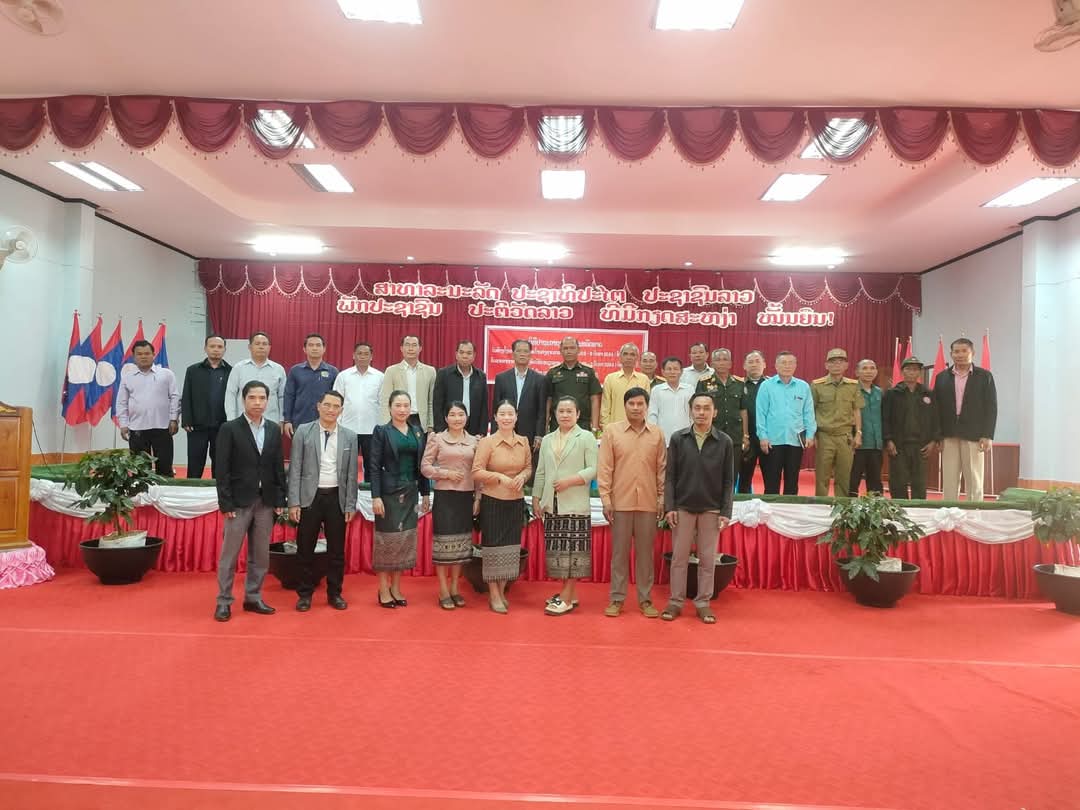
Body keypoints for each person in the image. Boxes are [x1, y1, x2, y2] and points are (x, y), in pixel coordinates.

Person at [213, 381, 287, 622]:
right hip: (238, 502)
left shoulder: (273, 429)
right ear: (243, 400)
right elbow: (221, 469)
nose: (257, 403)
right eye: (252, 398)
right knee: (229, 556)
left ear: (268, 401)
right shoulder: (230, 428)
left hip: (265, 501)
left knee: (260, 555)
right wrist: (225, 503)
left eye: (262, 398)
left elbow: (277, 466)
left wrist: (280, 498)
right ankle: (224, 601)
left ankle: (253, 597)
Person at [662, 393, 734, 625]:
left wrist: (726, 511)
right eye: (697, 408)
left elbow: (728, 480)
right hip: (682, 507)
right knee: (679, 559)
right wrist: (670, 507)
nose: (701, 412)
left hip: (711, 509)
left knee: (707, 560)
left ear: (715, 412)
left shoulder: (724, 441)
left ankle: (703, 603)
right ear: (690, 411)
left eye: (706, 408)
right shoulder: (678, 438)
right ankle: (675, 601)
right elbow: (670, 476)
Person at [597, 386, 665, 619]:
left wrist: (661, 498)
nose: (636, 408)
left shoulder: (657, 434)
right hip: (620, 503)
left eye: (640, 404)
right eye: (631, 404)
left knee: (646, 556)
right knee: (619, 554)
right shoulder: (611, 432)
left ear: (647, 406)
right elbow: (605, 468)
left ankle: (645, 599)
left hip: (648, 503)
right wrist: (606, 499)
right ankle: (617, 598)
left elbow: (661, 469)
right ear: (624, 406)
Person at [288, 390, 358, 612]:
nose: (331, 410)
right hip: (310, 497)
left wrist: (350, 503)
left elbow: (352, 474)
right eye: (327, 405)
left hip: (337, 497)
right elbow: (295, 468)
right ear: (318, 406)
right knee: (305, 548)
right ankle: (304, 594)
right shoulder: (303, 431)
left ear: (341, 410)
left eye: (336, 406)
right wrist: (294, 502)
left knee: (336, 550)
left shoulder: (349, 436)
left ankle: (334, 593)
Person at [533, 396, 598, 616]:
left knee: (574, 553)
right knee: (559, 553)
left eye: (570, 411)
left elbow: (594, 469)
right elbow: (541, 471)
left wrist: (571, 480)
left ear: (578, 414)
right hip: (552, 504)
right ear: (555, 414)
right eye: (561, 411)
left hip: (575, 503)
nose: (565, 415)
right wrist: (536, 497)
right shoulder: (548, 439)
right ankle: (569, 593)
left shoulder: (586, 437)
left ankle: (566, 598)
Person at [370, 390, 431, 608]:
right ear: (389, 408)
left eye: (406, 405)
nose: (402, 410)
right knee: (387, 541)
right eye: (398, 405)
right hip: (388, 494)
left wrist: (425, 493)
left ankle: (396, 587)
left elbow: (422, 465)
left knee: (404, 540)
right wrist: (376, 496)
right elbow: (374, 466)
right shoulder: (382, 431)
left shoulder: (417, 431)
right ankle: (383, 588)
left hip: (411, 492)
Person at [472, 400, 532, 614]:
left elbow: (528, 467)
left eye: (510, 414)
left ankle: (502, 589)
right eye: (502, 414)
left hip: (515, 501)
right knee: (493, 548)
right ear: (495, 417)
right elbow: (476, 471)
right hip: (493, 501)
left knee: (510, 548)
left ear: (516, 416)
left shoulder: (524, 441)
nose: (507, 418)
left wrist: (523, 476)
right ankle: (494, 593)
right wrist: (499, 477)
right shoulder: (487, 442)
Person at [420, 401, 480, 609]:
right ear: (446, 418)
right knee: (443, 545)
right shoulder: (436, 438)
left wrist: (478, 498)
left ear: (466, 417)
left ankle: (455, 588)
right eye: (452, 414)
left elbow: (478, 471)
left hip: (466, 497)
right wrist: (445, 473)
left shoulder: (475, 441)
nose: (457, 418)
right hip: (445, 497)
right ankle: (443, 589)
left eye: (461, 414)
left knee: (461, 546)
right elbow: (425, 467)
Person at [933, 337, 997, 501]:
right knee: (949, 479)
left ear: (972, 353)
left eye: (964, 351)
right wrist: (937, 436)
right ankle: (949, 511)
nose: (960, 355)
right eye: (956, 351)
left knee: (974, 479)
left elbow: (991, 407)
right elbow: (936, 408)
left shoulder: (984, 376)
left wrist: (987, 435)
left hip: (974, 435)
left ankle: (975, 511)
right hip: (948, 434)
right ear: (951, 354)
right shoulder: (941, 377)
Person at [116, 339, 180, 477]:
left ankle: (164, 490)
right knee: (140, 471)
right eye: (139, 354)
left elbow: (175, 397)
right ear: (134, 357)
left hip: (162, 427)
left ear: (153, 355)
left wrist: (174, 419)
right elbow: (121, 403)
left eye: (147, 353)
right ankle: (141, 491)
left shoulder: (166, 374)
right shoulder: (127, 377)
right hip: (137, 428)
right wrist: (123, 424)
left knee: (164, 468)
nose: (143, 356)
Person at [757, 351, 816, 495]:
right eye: (783, 363)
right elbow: (761, 413)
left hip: (795, 440)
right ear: (776, 365)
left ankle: (790, 508)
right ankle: (770, 508)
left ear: (795, 366)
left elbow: (809, 413)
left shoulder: (803, 386)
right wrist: (763, 436)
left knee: (792, 481)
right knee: (771, 481)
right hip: (773, 441)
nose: (787, 366)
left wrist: (810, 435)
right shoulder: (766, 386)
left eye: (791, 363)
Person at [883, 356, 939, 499]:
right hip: (898, 446)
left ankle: (918, 510)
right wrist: (888, 440)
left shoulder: (928, 393)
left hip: (921, 446)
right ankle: (899, 509)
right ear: (902, 372)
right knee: (898, 482)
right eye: (908, 369)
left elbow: (935, 419)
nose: (912, 372)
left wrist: (934, 441)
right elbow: (885, 418)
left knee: (919, 483)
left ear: (919, 373)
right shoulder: (892, 393)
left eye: (915, 369)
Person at [811, 348, 863, 496]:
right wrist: (813, 435)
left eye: (840, 362)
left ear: (846, 365)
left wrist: (858, 433)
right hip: (824, 436)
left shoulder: (853, 385)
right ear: (826, 365)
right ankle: (821, 505)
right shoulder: (817, 385)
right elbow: (811, 411)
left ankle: (841, 506)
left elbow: (856, 410)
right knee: (822, 476)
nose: (836, 365)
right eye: (833, 362)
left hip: (845, 436)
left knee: (844, 476)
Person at [180, 334, 231, 479]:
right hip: (197, 425)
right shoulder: (193, 370)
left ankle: (217, 491)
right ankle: (192, 490)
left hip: (222, 426)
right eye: (212, 346)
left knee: (220, 462)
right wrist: (186, 420)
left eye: (219, 347)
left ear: (224, 350)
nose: (216, 349)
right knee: (195, 462)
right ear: (205, 348)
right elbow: (186, 396)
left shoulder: (231, 371)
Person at [333, 341, 383, 482]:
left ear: (371, 357)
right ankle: (345, 492)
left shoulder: (380, 377)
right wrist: (337, 425)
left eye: (366, 354)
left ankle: (370, 493)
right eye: (359, 353)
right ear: (353, 355)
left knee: (372, 467)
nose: (362, 356)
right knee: (346, 466)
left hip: (372, 429)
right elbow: (336, 401)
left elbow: (383, 403)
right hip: (347, 429)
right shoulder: (343, 376)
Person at [490, 339, 546, 451]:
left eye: (526, 351)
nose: (522, 354)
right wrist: (494, 433)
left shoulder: (540, 379)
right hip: (505, 430)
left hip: (529, 432)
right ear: (513, 354)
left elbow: (541, 410)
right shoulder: (501, 378)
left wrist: (539, 434)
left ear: (530, 355)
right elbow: (496, 408)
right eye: (519, 351)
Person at [283, 333, 339, 438]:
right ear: (304, 349)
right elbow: (289, 396)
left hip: (326, 423)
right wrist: (287, 420)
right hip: (299, 422)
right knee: (299, 449)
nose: (314, 348)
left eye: (318, 345)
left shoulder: (333, 372)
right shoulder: (295, 371)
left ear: (324, 349)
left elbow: (336, 400)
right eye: (311, 345)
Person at [224, 331, 286, 423]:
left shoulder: (278, 369)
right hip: (243, 422)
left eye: (264, 344)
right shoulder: (239, 368)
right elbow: (231, 395)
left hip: (271, 421)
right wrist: (231, 420)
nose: (261, 347)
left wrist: (282, 419)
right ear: (250, 347)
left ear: (269, 347)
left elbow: (282, 396)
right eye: (257, 344)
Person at [543, 336, 601, 433]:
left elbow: (594, 399)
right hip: (558, 423)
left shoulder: (588, 371)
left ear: (578, 350)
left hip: (582, 423)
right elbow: (548, 400)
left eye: (572, 348)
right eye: (565, 348)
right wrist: (545, 425)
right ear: (560, 351)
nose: (568, 351)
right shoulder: (552, 372)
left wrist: (595, 426)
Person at [379, 335, 436, 432]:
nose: (410, 348)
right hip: (397, 418)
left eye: (414, 345)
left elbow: (431, 401)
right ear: (401, 348)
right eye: (407, 345)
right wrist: (386, 425)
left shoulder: (430, 371)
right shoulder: (391, 371)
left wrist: (431, 424)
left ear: (420, 348)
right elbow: (385, 400)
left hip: (420, 420)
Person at [433, 340, 489, 436]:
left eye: (469, 353)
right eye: (461, 352)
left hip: (473, 427)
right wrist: (440, 430)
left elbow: (484, 407)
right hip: (449, 425)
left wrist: (482, 432)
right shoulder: (444, 374)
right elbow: (437, 405)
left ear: (474, 356)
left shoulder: (481, 376)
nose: (465, 356)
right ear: (456, 354)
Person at [696, 348, 745, 454]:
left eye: (725, 359)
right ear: (712, 364)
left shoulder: (739, 383)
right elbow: (698, 409)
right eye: (718, 360)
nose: (721, 363)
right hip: (711, 434)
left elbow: (743, 410)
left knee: (733, 464)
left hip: (735, 435)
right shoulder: (704, 383)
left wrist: (745, 435)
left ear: (730, 364)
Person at [849, 359, 884, 495]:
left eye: (872, 368)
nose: (869, 371)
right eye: (864, 368)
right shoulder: (851, 390)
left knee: (875, 484)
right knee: (852, 481)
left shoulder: (880, 392)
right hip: (856, 445)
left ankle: (875, 507)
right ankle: (849, 507)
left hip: (876, 444)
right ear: (857, 372)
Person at [737, 350, 768, 494]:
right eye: (750, 362)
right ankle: (742, 505)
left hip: (767, 438)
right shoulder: (738, 384)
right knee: (744, 478)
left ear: (764, 364)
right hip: (746, 437)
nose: (754, 365)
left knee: (770, 477)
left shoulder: (771, 384)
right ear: (744, 365)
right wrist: (743, 436)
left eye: (757, 361)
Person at [600, 343, 650, 430]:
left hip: (638, 429)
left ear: (637, 358)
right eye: (625, 354)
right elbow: (605, 408)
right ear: (620, 357)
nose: (629, 357)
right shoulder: (610, 378)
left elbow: (646, 407)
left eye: (632, 354)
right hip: (615, 429)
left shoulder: (644, 379)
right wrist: (606, 429)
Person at [647, 356, 694, 440]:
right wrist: (653, 434)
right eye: (669, 369)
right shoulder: (656, 390)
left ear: (681, 372)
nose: (672, 372)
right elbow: (652, 415)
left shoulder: (689, 389)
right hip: (663, 437)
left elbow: (692, 414)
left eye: (675, 369)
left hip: (686, 436)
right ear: (663, 372)